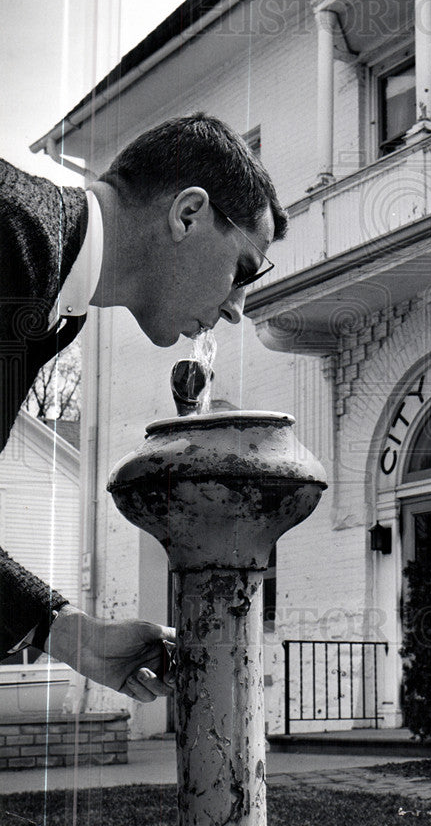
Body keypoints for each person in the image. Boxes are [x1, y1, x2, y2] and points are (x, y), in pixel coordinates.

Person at [0, 113, 287, 702]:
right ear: (188, 215)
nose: (237, 309)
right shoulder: (15, 236)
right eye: (243, 271)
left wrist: (69, 634)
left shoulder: (52, 293)